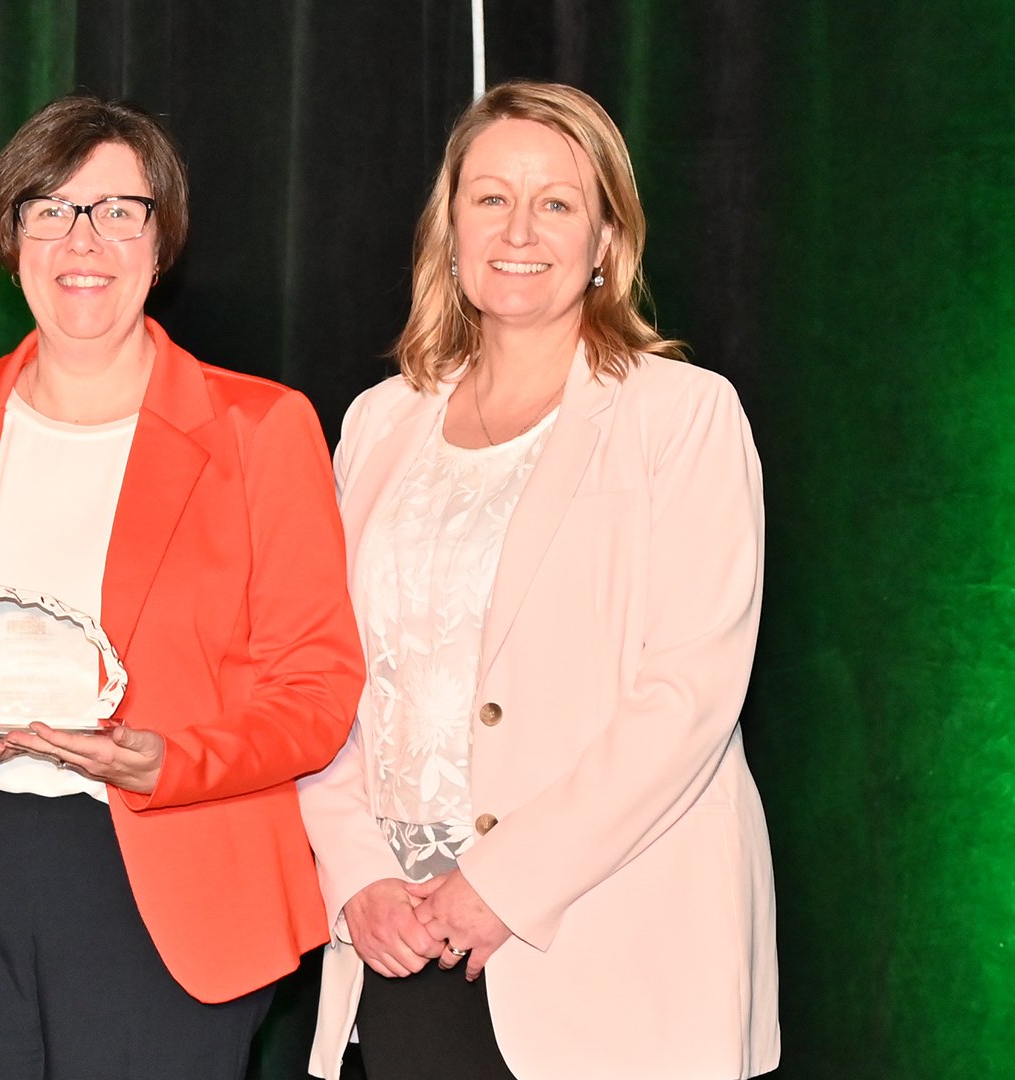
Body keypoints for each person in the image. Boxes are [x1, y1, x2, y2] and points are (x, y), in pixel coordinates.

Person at [0, 94, 364, 1079]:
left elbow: (317, 691)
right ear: (10, 235)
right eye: (51, 208)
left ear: (161, 246)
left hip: (173, 881)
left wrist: (172, 760)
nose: (85, 238)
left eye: (120, 210)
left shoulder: (262, 431)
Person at [299, 80, 779, 1080]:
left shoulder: (682, 416)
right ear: (451, 226)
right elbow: (326, 675)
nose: (520, 228)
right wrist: (357, 876)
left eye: (556, 202)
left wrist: (501, 885)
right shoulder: (379, 423)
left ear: (607, 237)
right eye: (489, 198)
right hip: (401, 936)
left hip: (613, 939)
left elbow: (687, 697)